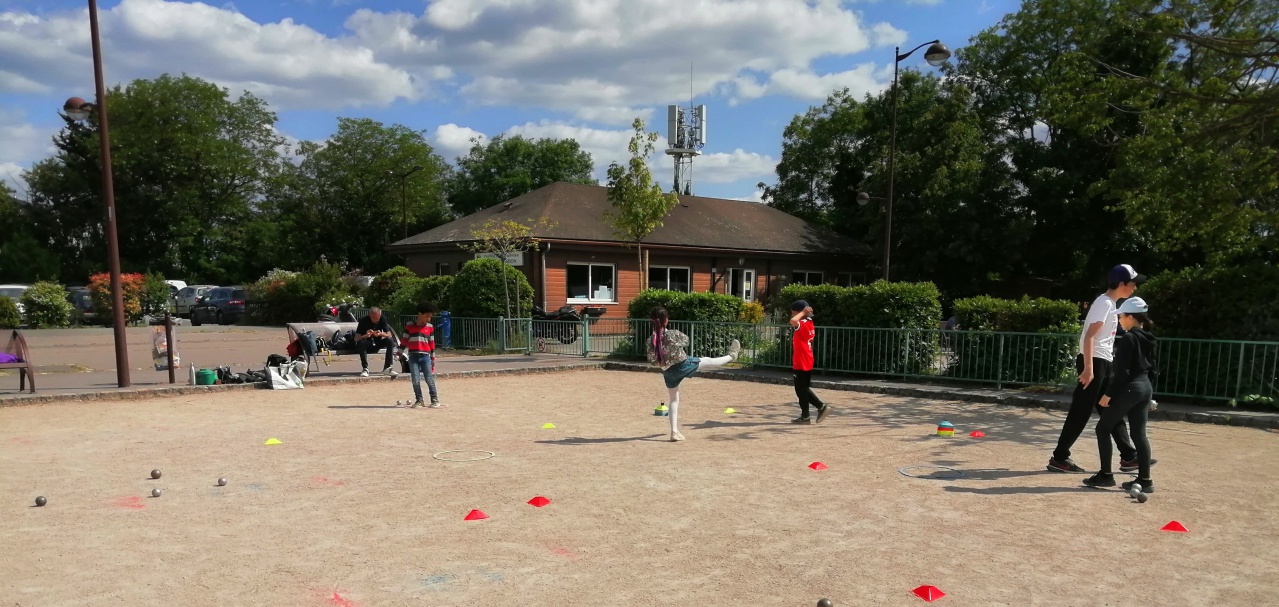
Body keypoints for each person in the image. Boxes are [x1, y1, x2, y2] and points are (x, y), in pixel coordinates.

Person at [1047, 264, 1145, 473]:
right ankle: (1059, 457)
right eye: (1133, 283)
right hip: (1094, 362)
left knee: (1110, 407)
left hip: (1103, 361)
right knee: (1080, 412)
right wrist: (1089, 369)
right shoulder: (1104, 304)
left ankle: (1128, 455)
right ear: (1121, 284)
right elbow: (1090, 336)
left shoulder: (1110, 304)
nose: (1135, 288)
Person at [1083, 297, 1157, 491]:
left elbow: (1122, 372)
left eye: (1122, 316)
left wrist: (1108, 394)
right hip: (1144, 387)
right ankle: (1145, 480)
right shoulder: (1148, 338)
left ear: (1131, 317)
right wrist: (1150, 393)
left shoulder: (1128, 338)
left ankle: (1106, 475)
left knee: (1102, 428)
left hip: (1131, 388)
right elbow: (1153, 369)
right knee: (1139, 434)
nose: (1120, 321)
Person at [646, 306, 741, 442]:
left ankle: (674, 432)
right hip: (683, 364)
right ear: (666, 320)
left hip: (667, 371)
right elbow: (686, 341)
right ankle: (732, 356)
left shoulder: (651, 340)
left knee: (673, 399)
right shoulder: (672, 334)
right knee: (708, 361)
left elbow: (652, 361)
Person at [789, 300, 831, 424]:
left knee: (801, 389)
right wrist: (804, 313)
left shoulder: (803, 322)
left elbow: (793, 321)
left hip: (801, 360)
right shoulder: (809, 322)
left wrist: (802, 313)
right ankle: (806, 415)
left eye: (793, 312)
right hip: (806, 358)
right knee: (802, 388)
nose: (791, 314)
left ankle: (820, 407)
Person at [401, 301, 440, 408]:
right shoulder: (409, 325)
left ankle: (434, 399)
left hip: (425, 356)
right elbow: (404, 340)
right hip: (413, 356)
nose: (429, 319)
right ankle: (419, 400)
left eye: (430, 317)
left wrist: (432, 358)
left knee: (429, 378)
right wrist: (399, 352)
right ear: (420, 314)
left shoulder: (430, 327)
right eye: (427, 316)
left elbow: (432, 343)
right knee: (415, 379)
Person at [354, 306, 398, 378]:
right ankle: (365, 368)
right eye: (373, 318)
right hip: (367, 344)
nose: (376, 320)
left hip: (377, 343)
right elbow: (356, 338)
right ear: (370, 315)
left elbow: (389, 334)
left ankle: (387, 367)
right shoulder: (363, 320)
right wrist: (365, 335)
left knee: (390, 340)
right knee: (361, 342)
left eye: (377, 318)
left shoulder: (383, 319)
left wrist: (381, 334)